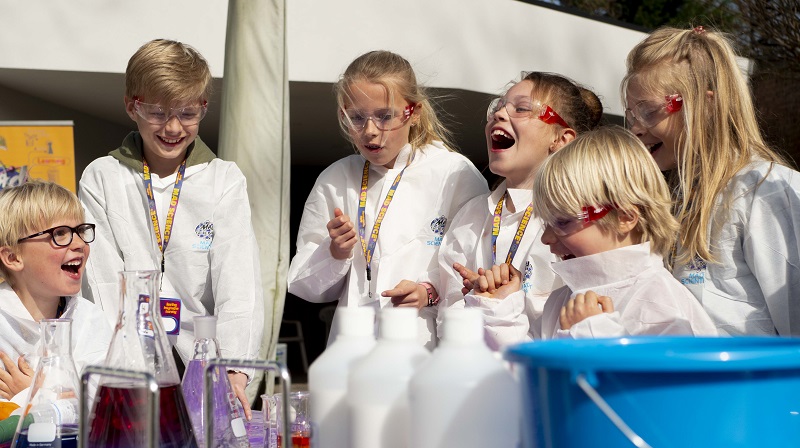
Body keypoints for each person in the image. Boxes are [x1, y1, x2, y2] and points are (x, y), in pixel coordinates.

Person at [79, 39, 263, 417]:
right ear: (133, 105)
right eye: (158, 112)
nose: (174, 127)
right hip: (130, 363)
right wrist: (127, 372)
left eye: (188, 113)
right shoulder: (103, 177)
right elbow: (104, 283)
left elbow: (239, 284)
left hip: (203, 359)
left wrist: (232, 370)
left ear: (203, 108)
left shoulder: (223, 180)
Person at [287, 50, 488, 350]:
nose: (370, 131)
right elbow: (303, 285)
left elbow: (477, 267)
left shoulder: (454, 173)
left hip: (425, 347)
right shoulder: (336, 179)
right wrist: (335, 253)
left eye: (384, 116)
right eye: (356, 117)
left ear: (414, 111)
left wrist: (428, 291)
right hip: (353, 348)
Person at [622, 26, 800, 336]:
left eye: (649, 112)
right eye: (631, 114)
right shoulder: (671, 196)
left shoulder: (765, 190)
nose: (635, 128)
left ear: (705, 106)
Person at [471, 126, 717, 338]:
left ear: (625, 217)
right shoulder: (564, 298)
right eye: (546, 224)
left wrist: (592, 338)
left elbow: (661, 390)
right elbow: (529, 378)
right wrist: (500, 315)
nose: (546, 239)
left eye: (564, 222)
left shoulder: (662, 304)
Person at [439, 72, 603, 350]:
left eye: (522, 108)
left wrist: (500, 307)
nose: (500, 114)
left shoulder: (579, 222)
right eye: (498, 106)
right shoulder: (472, 214)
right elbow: (447, 320)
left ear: (561, 139)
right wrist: (476, 302)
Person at [0, 180, 112, 406]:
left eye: (81, 231)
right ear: (13, 258)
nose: (80, 243)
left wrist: (36, 395)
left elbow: (107, 406)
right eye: (60, 234)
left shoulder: (89, 320)